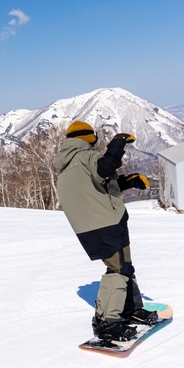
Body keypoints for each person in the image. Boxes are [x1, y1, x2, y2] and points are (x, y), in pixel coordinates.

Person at [53, 121, 156, 342]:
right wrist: (117, 144)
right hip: (105, 224)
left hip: (92, 227)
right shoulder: (85, 156)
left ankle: (130, 309)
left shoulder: (67, 167)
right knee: (117, 270)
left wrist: (128, 182)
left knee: (124, 266)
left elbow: (98, 187)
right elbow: (105, 168)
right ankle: (107, 321)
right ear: (89, 137)